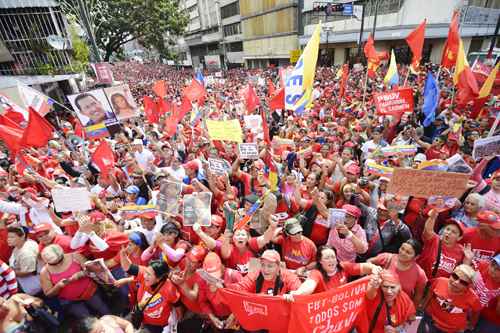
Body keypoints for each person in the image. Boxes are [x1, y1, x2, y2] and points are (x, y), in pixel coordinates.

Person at [39, 244, 110, 319]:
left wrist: (81, 274)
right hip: (71, 301)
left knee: (103, 310)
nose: (58, 264)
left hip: (90, 292)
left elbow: (93, 269)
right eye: (54, 264)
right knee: (87, 320)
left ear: (63, 254)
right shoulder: (45, 272)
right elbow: (48, 294)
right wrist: (58, 286)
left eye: (60, 260)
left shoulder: (75, 256)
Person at [283, 246, 381, 298]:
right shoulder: (316, 273)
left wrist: (374, 268)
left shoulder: (343, 266)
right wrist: (297, 294)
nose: (331, 261)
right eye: (327, 258)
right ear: (320, 261)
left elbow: (363, 267)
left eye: (333, 257)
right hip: (325, 312)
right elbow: (308, 286)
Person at [120, 250, 180, 333]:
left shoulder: (169, 288)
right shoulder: (144, 274)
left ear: (158, 278)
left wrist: (176, 324)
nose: (144, 276)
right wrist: (122, 254)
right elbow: (128, 267)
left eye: (149, 275)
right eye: (146, 272)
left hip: (158, 325)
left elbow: (177, 306)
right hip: (141, 316)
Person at [418, 264, 482, 333]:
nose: (456, 282)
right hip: (430, 321)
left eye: (463, 282)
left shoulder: (473, 298)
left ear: (469, 286)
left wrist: (471, 324)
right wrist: (422, 307)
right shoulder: (439, 281)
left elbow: (476, 312)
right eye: (455, 276)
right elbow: (429, 293)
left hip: (451, 330)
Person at [368, 239, 428, 306]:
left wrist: (411, 311)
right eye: (402, 248)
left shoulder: (420, 274)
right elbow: (369, 262)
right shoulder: (387, 258)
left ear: (416, 257)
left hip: (400, 309)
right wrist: (374, 273)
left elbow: (418, 296)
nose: (403, 253)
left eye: (408, 252)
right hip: (378, 304)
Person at [417, 209, 473, 279]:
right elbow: (428, 231)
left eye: (453, 232)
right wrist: (432, 218)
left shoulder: (461, 250)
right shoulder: (434, 239)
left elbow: (461, 274)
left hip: (440, 286)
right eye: (447, 229)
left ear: (459, 238)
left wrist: (467, 260)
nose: (448, 232)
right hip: (421, 279)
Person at [224, 249, 301, 296]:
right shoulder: (255, 274)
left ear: (278, 267)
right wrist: (223, 286)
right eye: (263, 265)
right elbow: (240, 288)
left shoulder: (288, 276)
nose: (265, 269)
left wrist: (292, 295)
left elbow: (299, 292)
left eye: (270, 266)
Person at [7, 226, 41, 295]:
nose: (8, 239)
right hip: (26, 284)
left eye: (12, 237)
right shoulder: (19, 245)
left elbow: (27, 272)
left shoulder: (26, 252)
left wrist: (9, 272)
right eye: (8, 237)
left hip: (34, 286)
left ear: (22, 237)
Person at [471, 253, 500, 333]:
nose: (492, 269)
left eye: (498, 269)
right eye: (493, 264)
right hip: (471, 308)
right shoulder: (483, 265)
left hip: (490, 319)